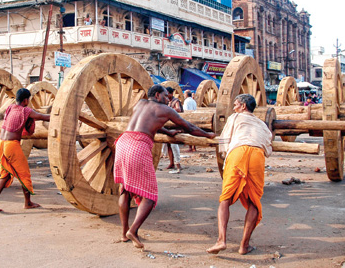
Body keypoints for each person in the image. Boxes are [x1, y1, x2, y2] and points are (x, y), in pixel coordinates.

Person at [114, 84, 215, 249]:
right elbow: (189, 127)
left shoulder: (140, 104)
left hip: (123, 142)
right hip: (138, 146)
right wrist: (207, 134)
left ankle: (124, 232)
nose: (168, 100)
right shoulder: (166, 110)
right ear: (158, 95)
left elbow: (149, 122)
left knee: (125, 190)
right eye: (166, 97)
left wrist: (168, 133)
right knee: (150, 195)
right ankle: (133, 230)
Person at [206, 94, 272, 255]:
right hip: (257, 154)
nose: (234, 107)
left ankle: (221, 240)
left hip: (238, 153)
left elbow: (224, 139)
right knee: (254, 202)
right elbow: (268, 146)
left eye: (236, 104)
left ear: (243, 106)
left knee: (225, 198)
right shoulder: (262, 124)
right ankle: (244, 246)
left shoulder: (235, 117)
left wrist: (224, 155)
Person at [0, 88, 50, 212]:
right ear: (26, 100)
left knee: (5, 174)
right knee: (24, 174)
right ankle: (27, 203)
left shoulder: (10, 108)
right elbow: (43, 117)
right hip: (11, 145)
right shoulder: (26, 111)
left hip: (0, 143)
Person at [164, 87, 184, 174]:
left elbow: (178, 109)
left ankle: (178, 163)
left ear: (171, 94)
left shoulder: (176, 101)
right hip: (168, 126)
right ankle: (171, 163)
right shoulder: (167, 101)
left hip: (175, 125)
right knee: (168, 144)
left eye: (167, 93)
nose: (166, 95)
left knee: (174, 145)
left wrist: (168, 110)